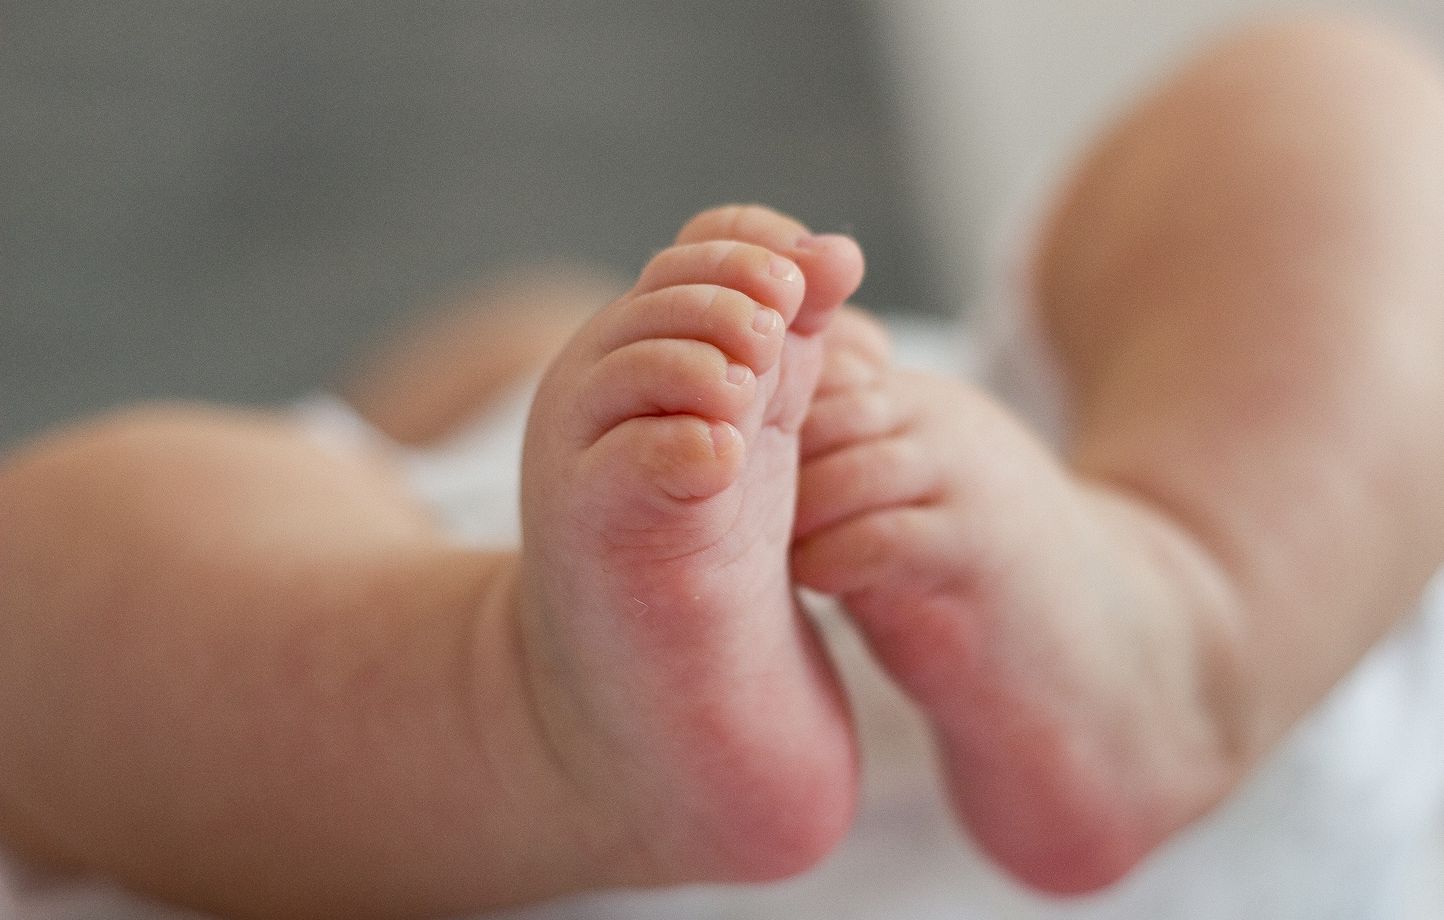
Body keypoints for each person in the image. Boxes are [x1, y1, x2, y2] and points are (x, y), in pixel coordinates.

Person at [2, 13, 1443, 920]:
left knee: (44, 588)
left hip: (483, 757)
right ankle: (1191, 606)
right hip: (1184, 675)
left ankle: (537, 712)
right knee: (1335, 95)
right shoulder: (424, 501)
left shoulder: (406, 490)